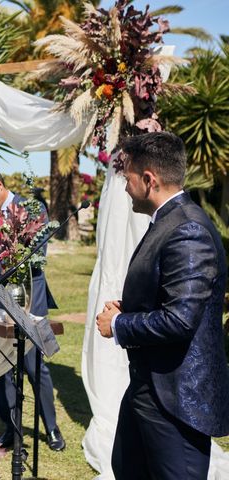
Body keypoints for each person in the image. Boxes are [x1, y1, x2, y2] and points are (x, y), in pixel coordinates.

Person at [96, 132, 229, 479]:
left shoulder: (188, 229)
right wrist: (131, 305)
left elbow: (181, 319)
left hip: (176, 397)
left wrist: (120, 324)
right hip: (149, 385)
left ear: (149, 180)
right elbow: (172, 291)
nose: (125, 189)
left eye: (128, 179)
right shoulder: (168, 221)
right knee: (127, 468)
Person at [0, 166, 65, 451]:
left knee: (35, 368)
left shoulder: (32, 209)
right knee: (1, 369)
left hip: (30, 300)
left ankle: (51, 428)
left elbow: (38, 255)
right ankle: (11, 431)